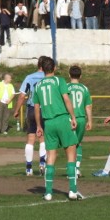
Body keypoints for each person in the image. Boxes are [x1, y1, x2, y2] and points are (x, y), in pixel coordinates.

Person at [34, 56, 83, 201]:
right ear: (54, 68)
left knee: (51, 156)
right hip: (62, 119)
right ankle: (72, 191)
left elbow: (37, 108)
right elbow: (67, 100)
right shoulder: (59, 81)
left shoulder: (38, 85)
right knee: (71, 153)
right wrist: (73, 117)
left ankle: (48, 193)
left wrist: (38, 125)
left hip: (48, 123)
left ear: (42, 69)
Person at [14, 56, 47, 176]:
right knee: (43, 138)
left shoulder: (29, 77)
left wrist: (17, 110)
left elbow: (22, 95)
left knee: (31, 138)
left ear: (38, 65)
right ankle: (42, 163)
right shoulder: (49, 78)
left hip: (32, 109)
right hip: (45, 109)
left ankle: (29, 168)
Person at [68, 65, 93, 178]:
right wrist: (90, 121)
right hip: (81, 119)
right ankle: (76, 169)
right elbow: (88, 106)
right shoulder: (84, 88)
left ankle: (71, 170)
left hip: (69, 119)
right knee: (78, 143)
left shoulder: (65, 87)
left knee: (70, 145)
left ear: (69, 75)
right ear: (80, 76)